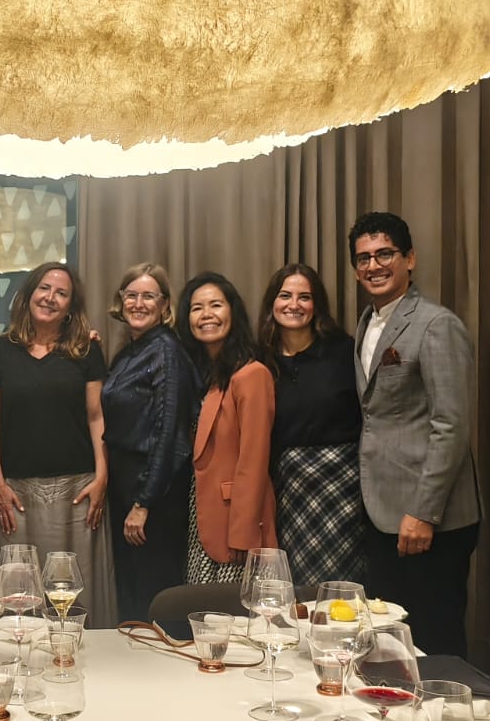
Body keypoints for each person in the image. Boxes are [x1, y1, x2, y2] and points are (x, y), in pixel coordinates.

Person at [349, 211, 482, 658]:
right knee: (392, 641)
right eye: (363, 258)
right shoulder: (367, 322)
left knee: (434, 640)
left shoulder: (436, 324)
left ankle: (447, 706)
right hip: (382, 511)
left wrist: (424, 513)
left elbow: (451, 425)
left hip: (429, 519)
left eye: (384, 254)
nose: (373, 265)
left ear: (410, 259)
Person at [0, 261, 117, 627]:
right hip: (16, 494)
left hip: (78, 491)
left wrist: (102, 477)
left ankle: (78, 658)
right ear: (28, 295)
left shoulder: (86, 351)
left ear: (71, 306)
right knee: (19, 599)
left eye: (61, 293)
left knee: (77, 596)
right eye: (44, 288)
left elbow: (96, 417)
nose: (50, 298)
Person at [258, 263, 369, 588]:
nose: (294, 304)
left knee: (339, 588)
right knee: (294, 588)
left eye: (304, 297)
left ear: (316, 304)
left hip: (343, 490)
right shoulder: (259, 360)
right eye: (285, 296)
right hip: (288, 491)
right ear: (272, 302)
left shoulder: (344, 351)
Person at [100, 263, 197, 620]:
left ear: (165, 305)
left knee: (153, 599)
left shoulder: (165, 350)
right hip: (126, 487)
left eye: (148, 296)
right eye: (131, 295)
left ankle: (156, 658)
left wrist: (144, 503)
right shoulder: (130, 350)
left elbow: (169, 432)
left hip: (154, 496)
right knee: (131, 596)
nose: (138, 303)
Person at [176, 272, 277, 584]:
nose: (206, 314)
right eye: (197, 308)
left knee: (234, 611)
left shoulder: (251, 374)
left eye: (216, 305)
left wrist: (243, 534)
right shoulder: (204, 374)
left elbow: (253, 461)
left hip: (236, 525)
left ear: (233, 312)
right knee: (202, 611)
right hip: (203, 518)